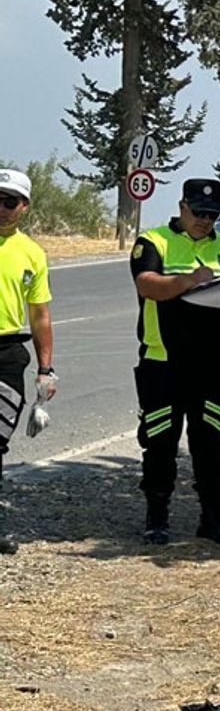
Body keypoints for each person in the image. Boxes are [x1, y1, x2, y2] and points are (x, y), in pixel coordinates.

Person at [131, 178, 220, 549]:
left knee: (211, 445)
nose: (205, 220)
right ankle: (156, 519)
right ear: (182, 207)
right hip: (163, 362)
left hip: (213, 365)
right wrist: (190, 280)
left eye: (212, 214)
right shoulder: (154, 241)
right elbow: (147, 284)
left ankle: (213, 520)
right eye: (198, 213)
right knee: (160, 443)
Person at [0, 169, 56, 555]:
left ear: (25, 207)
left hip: (7, 355)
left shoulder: (32, 254)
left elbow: (39, 315)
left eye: (10, 201)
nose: (2, 208)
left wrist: (45, 370)